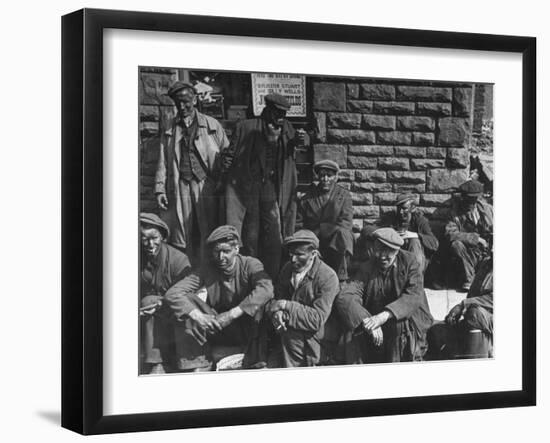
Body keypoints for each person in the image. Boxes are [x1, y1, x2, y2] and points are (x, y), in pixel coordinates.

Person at [164, 225, 274, 371]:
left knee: (263, 303)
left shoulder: (250, 264)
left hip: (246, 326)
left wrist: (232, 314)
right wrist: (199, 317)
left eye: (226, 251)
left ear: (236, 249)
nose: (221, 257)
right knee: (188, 301)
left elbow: (266, 289)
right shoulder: (208, 269)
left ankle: (256, 359)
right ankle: (197, 363)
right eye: (217, 252)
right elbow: (173, 293)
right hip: (217, 325)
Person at [222, 93, 304, 279]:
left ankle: (273, 277)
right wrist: (223, 181)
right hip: (247, 190)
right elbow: (229, 156)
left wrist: (301, 140)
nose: (281, 117)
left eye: (284, 114)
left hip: (273, 190)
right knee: (250, 235)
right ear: (267, 109)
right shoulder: (246, 127)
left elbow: (296, 146)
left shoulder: (286, 128)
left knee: (275, 237)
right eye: (278, 113)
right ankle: (250, 276)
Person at [154, 81, 229, 264]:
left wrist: (223, 183)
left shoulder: (212, 125)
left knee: (209, 229)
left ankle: (210, 269)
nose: (182, 106)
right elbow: (163, 160)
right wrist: (160, 189)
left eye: (186, 101)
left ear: (194, 100)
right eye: (178, 102)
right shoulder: (170, 128)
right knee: (184, 230)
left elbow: (227, 156)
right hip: (181, 185)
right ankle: (189, 270)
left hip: (206, 185)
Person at [335, 228, 433, 363]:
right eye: (379, 250)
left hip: (408, 323)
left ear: (397, 250)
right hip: (378, 326)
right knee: (351, 327)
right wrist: (368, 321)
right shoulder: (367, 267)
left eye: (388, 252)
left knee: (399, 326)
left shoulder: (410, 263)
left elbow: (413, 296)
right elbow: (346, 296)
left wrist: (383, 316)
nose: (382, 256)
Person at [266, 230, 340, 367]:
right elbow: (276, 298)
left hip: (319, 338)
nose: (293, 259)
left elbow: (316, 320)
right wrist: (277, 313)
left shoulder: (327, 276)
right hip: (290, 333)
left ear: (313, 254)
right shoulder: (288, 269)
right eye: (291, 254)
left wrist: (285, 306)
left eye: (300, 254)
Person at [139, 213, 192, 374]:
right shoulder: (136, 257)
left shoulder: (178, 260)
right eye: (144, 238)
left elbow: (189, 294)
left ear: (162, 236)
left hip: (175, 311)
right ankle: (156, 363)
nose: (149, 244)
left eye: (154, 237)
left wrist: (162, 303)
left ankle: (186, 361)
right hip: (148, 314)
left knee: (149, 301)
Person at [295, 159, 354, 281]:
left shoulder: (343, 196)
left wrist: (324, 229)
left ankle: (341, 277)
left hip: (335, 242)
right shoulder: (307, 198)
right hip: (315, 240)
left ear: (336, 177)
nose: (325, 179)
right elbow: (300, 224)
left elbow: (346, 222)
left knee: (343, 235)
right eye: (322, 175)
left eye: (329, 175)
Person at [443, 179, 493, 291]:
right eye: (469, 198)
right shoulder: (455, 213)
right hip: (468, 253)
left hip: (485, 252)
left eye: (474, 198)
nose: (472, 202)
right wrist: (476, 239)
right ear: (463, 197)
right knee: (456, 244)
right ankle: (469, 280)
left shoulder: (487, 210)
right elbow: (450, 234)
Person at [445, 257, 493, 358]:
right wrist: (461, 311)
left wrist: (463, 305)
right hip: (481, 312)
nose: (493, 249)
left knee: (475, 315)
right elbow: (473, 293)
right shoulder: (486, 263)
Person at [383, 193, 439, 272]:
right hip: (397, 259)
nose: (401, 212)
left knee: (414, 241)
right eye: (398, 208)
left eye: (404, 208)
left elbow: (434, 243)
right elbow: (374, 230)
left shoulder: (420, 221)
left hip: (417, 261)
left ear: (412, 209)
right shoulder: (393, 219)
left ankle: (415, 279)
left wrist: (416, 235)